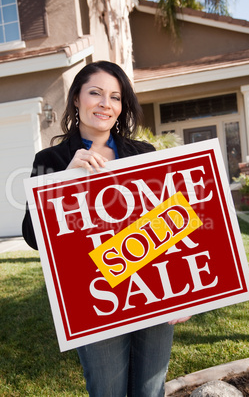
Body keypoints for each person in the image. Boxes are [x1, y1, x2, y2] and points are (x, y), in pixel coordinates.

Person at [22, 60, 190, 397]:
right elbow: (32, 235)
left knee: (150, 390)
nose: (105, 104)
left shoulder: (143, 153)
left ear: (121, 107)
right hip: (94, 296)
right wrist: (66, 180)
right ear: (76, 100)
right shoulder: (51, 159)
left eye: (115, 97)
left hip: (153, 289)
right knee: (107, 390)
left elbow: (171, 225)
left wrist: (183, 294)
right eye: (95, 93)